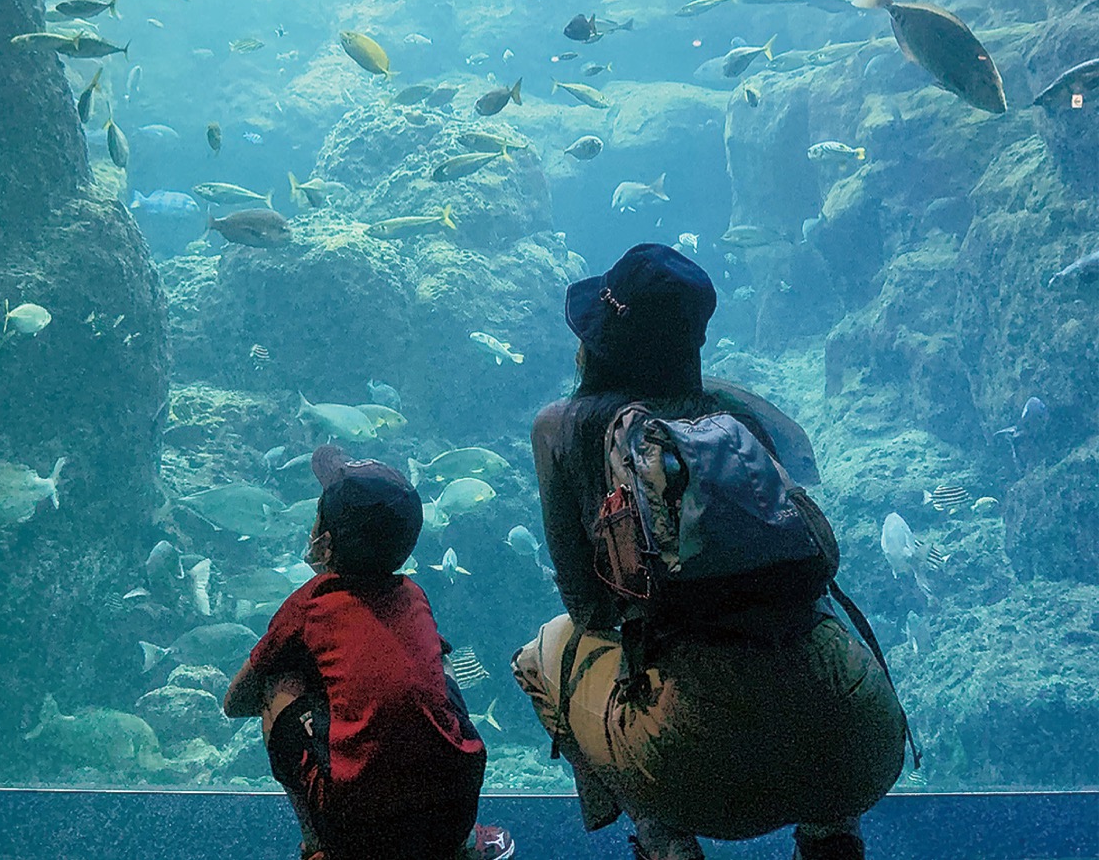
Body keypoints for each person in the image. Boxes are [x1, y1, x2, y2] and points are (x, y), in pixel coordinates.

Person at [512, 243, 909, 860]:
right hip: (860, 740)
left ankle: (661, 834)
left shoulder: (561, 427)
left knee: (541, 654)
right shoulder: (741, 413)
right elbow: (815, 555)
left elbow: (590, 610)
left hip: (694, 764)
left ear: (598, 342)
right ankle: (834, 834)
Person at [224, 445, 514, 860]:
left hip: (353, 822)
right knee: (437, 662)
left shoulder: (309, 603)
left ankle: (317, 846)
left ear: (323, 542)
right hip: (455, 807)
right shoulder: (414, 594)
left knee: (278, 679)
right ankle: (457, 846)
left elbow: (236, 702)